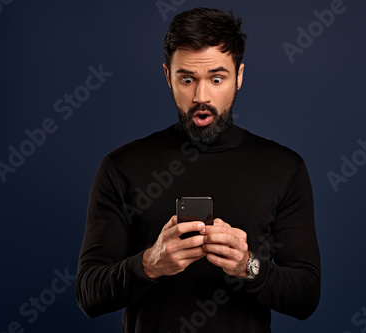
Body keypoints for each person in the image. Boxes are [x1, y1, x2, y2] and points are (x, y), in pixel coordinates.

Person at [76, 7, 320, 332]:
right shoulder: (121, 167)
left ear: (240, 77)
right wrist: (149, 264)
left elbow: (306, 296)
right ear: (168, 76)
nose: (201, 96)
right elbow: (89, 295)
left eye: (217, 79)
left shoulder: (284, 168)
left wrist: (248, 266)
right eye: (187, 79)